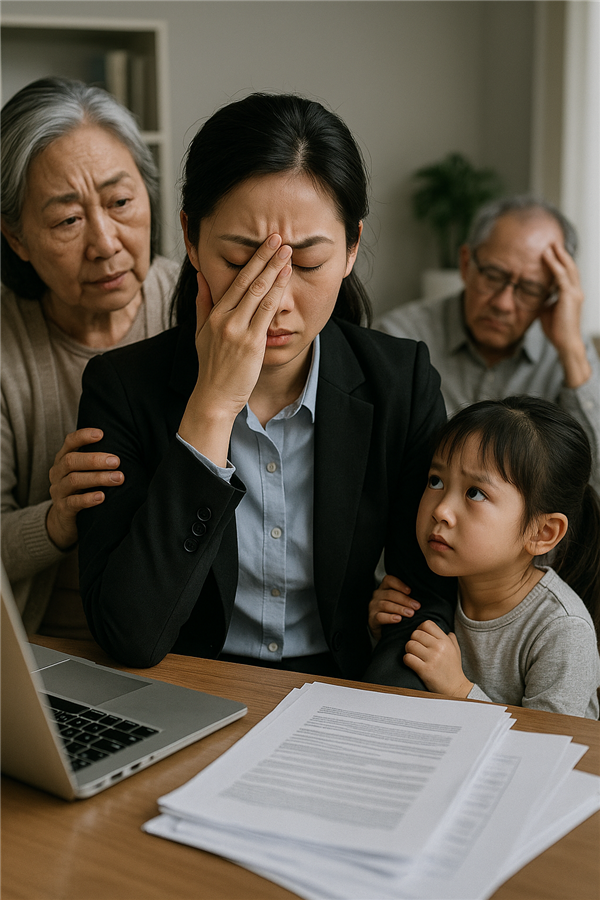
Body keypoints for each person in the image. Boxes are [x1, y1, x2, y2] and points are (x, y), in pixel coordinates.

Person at [76, 92, 455, 683]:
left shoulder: (400, 383)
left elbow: (427, 602)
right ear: (191, 240)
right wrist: (211, 407)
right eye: (241, 259)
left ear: (352, 247)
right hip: (191, 692)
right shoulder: (121, 389)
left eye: (305, 264)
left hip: (346, 692)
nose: (274, 299)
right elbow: (131, 632)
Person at [0, 78, 178, 637]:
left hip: (189, 642)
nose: (105, 242)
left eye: (121, 202)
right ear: (16, 239)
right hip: (48, 648)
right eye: (67, 220)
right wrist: (54, 521)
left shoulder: (201, 309)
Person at [370, 396, 600, 718]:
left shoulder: (562, 631)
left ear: (542, 533)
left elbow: (544, 749)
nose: (441, 510)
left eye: (475, 493)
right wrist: (383, 634)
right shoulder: (434, 584)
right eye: (436, 481)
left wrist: (459, 691)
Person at [374, 197, 600, 491]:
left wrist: (571, 351)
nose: (504, 304)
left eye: (530, 289)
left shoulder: (568, 353)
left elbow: (594, 484)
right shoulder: (397, 337)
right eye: (493, 276)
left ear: (552, 293)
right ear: (466, 263)